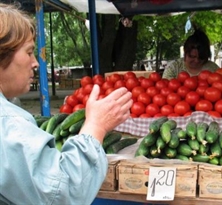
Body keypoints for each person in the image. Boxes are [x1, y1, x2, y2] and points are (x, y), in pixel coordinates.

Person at [0, 3, 133, 205]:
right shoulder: (8, 124)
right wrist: (96, 126)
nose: (35, 62)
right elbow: (63, 192)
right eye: (28, 52)